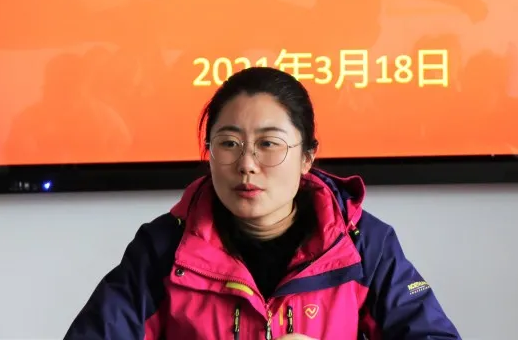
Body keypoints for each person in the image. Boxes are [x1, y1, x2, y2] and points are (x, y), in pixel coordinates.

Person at [63, 66, 461, 340]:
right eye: (229, 143)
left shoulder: (361, 245)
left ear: (307, 158)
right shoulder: (164, 249)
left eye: (269, 144)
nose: (247, 164)